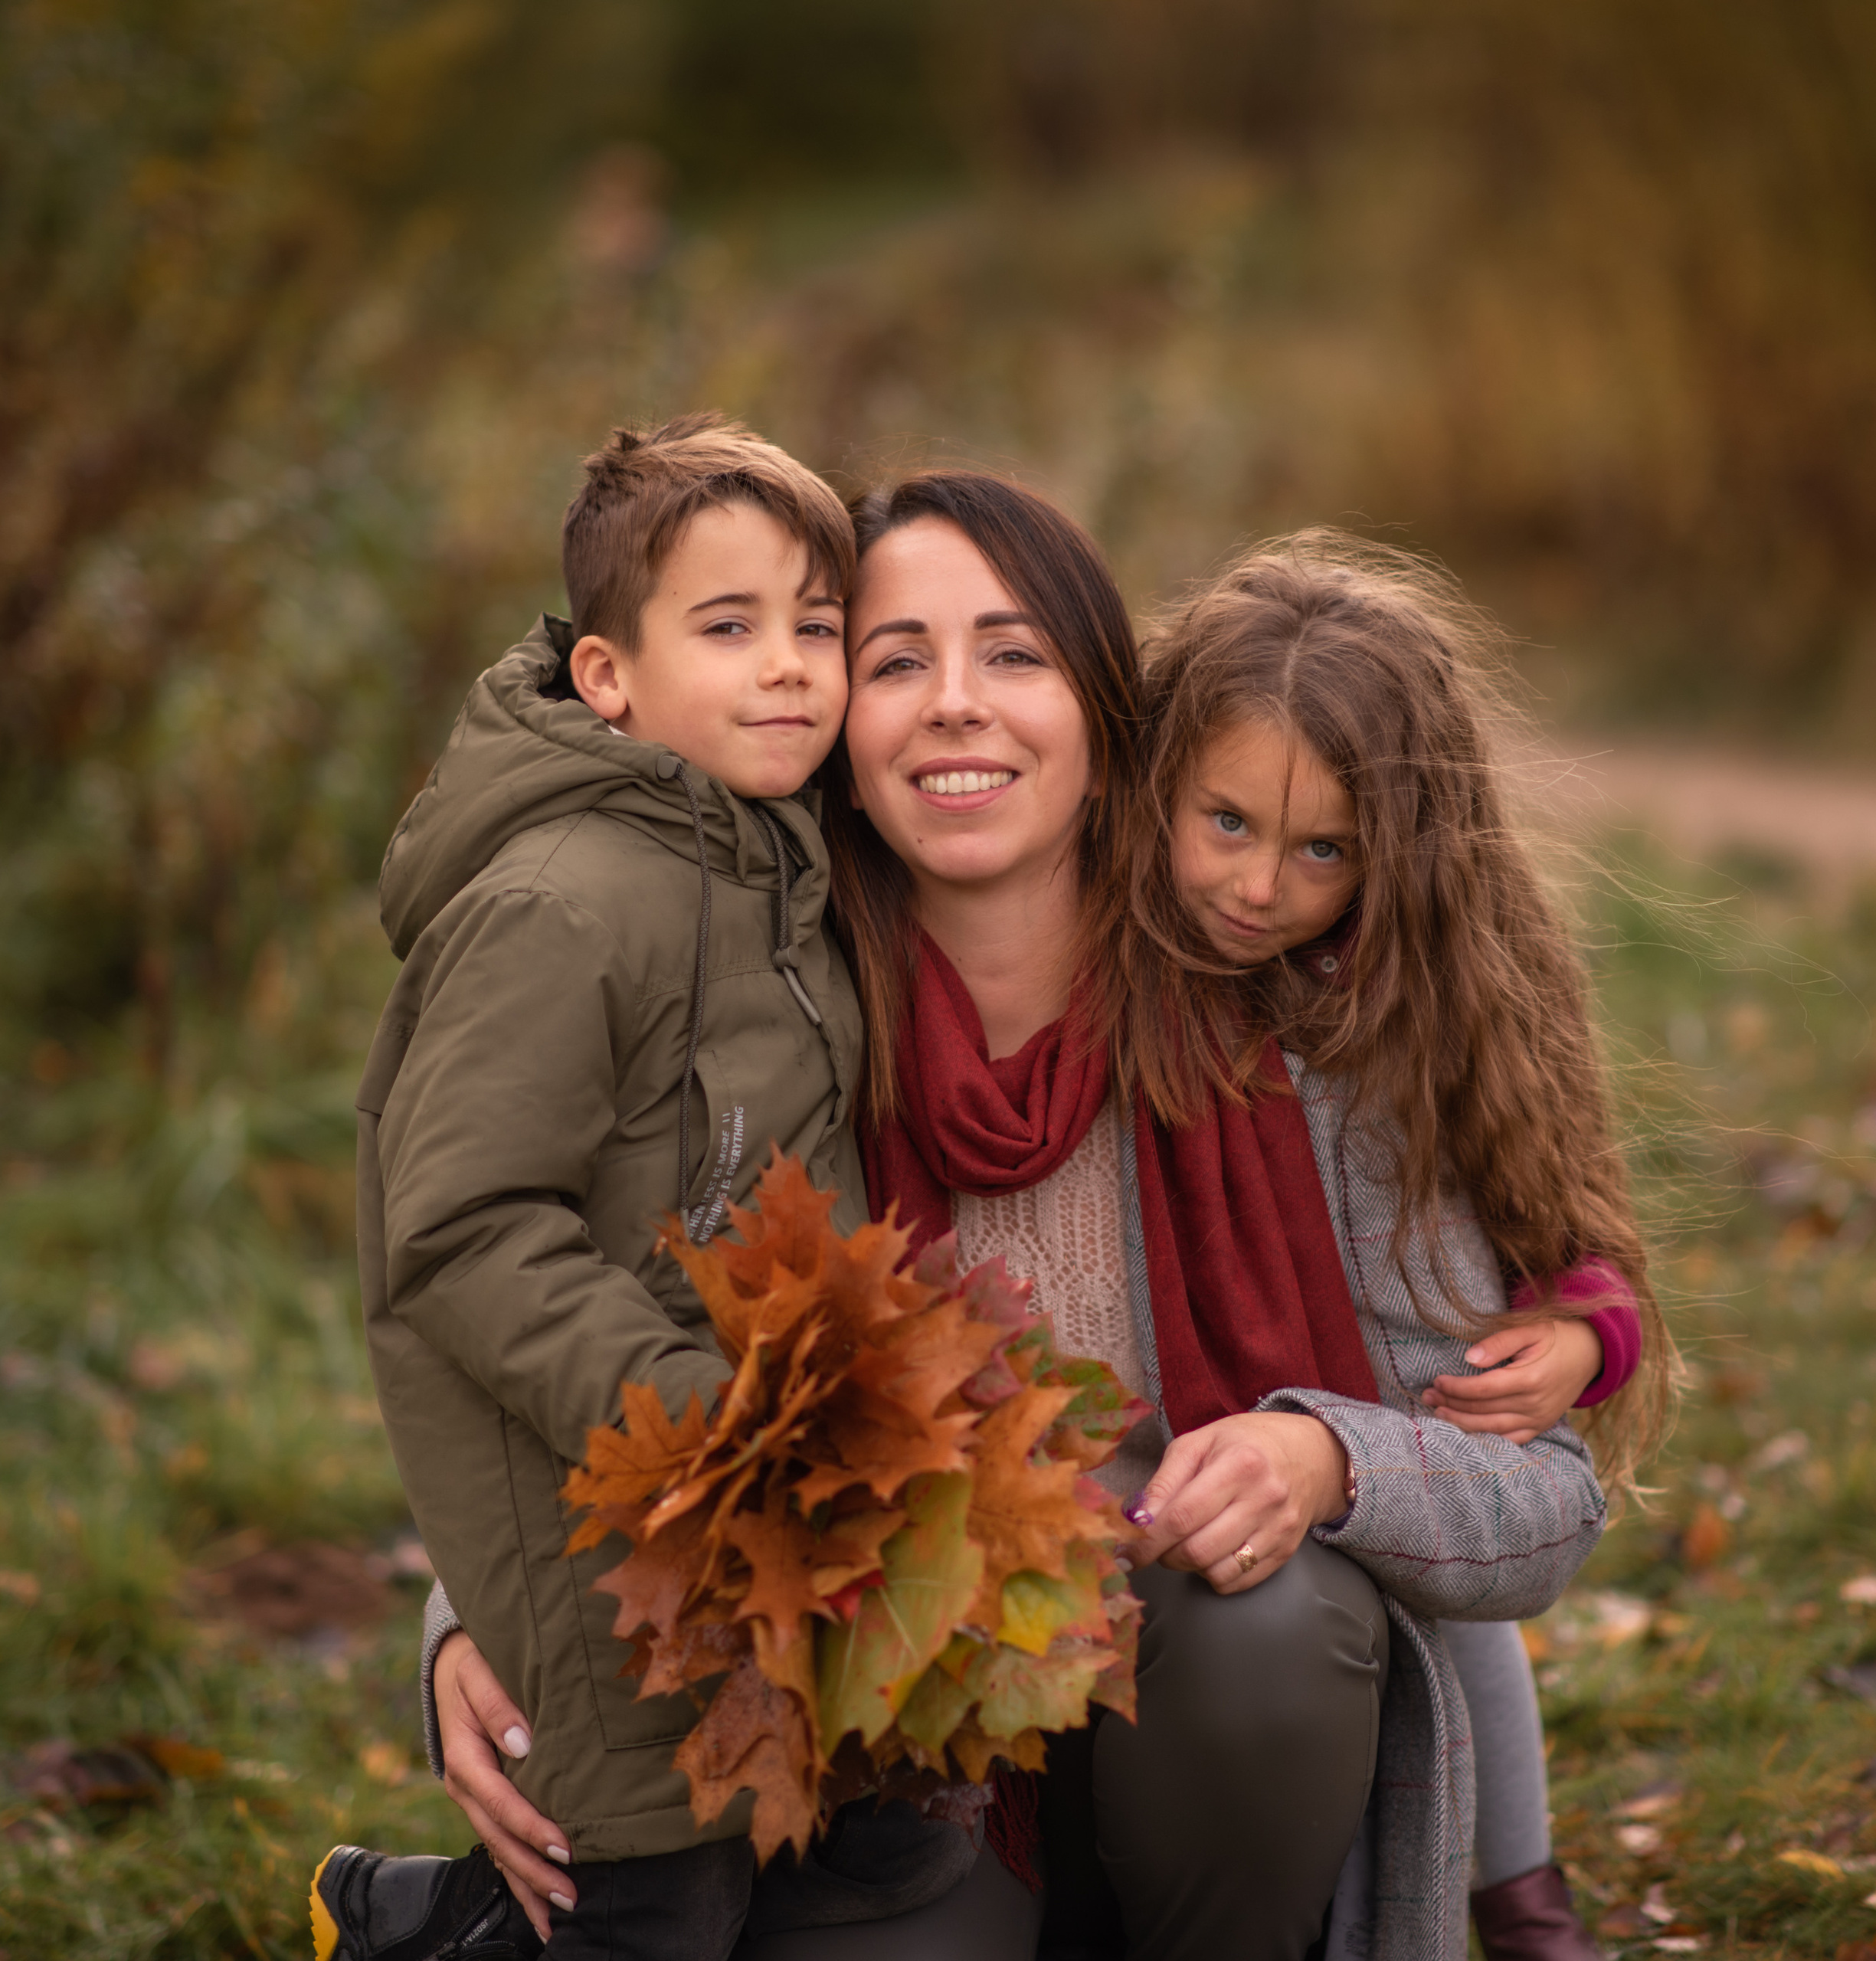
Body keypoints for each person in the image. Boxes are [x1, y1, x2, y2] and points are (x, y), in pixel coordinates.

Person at [408, 470, 1618, 1961]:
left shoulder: (1292, 1021)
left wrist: (1328, 1455)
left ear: (1112, 725)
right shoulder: (768, 1019)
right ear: (834, 720)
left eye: (1016, 653)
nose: (954, 703)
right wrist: (466, 1619)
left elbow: (1545, 1499)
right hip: (905, 1761)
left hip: (1210, 1731)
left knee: (1269, 1625)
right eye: (897, 656)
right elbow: (557, 1319)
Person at [313, 414, 986, 1961]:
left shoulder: (771, 862)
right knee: (644, 1889)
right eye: (729, 627)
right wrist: (698, 1404)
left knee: (844, 1837)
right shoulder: (561, 902)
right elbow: (463, 1228)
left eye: (816, 627)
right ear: (608, 677)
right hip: (590, 1479)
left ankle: (425, 1915)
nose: (788, 669)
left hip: (733, 1472)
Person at [1124, 529, 1675, 1959]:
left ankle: (1525, 1906)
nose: (1258, 886)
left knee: (1461, 1614)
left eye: (1323, 852)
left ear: (1399, 855)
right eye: (1226, 823)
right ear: (1157, 786)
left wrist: (1586, 1335)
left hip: (1403, 1448)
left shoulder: (1445, 997)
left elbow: (1571, 1235)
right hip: (1225, 1491)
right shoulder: (1121, 980)